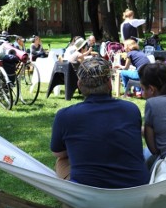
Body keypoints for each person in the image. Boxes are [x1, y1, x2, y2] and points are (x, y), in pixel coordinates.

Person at [50, 57, 149, 188]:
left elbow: (58, 152)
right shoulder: (131, 109)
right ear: (109, 84)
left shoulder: (65, 115)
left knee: (61, 161)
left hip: (90, 193)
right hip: (135, 190)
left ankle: (70, 203)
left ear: (79, 85)